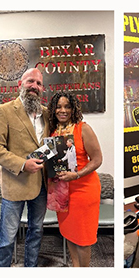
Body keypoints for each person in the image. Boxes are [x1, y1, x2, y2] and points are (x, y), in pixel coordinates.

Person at [0, 68, 48, 267]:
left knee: (36, 232)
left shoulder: (47, 114)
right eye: (30, 81)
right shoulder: (3, 111)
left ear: (42, 89)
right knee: (7, 238)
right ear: (19, 85)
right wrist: (22, 164)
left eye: (38, 83)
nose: (34, 86)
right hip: (15, 184)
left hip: (42, 185)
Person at [44, 92, 103, 267]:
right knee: (69, 233)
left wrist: (76, 175)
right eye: (59, 106)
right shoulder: (53, 133)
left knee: (83, 238)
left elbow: (98, 160)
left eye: (67, 106)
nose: (63, 110)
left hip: (83, 190)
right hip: (61, 192)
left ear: (74, 108)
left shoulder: (82, 128)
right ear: (53, 109)